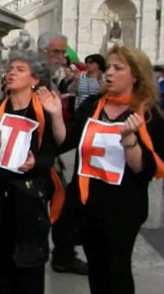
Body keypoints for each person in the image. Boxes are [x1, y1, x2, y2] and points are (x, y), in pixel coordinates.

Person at [45, 45, 164, 294]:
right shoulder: (92, 104)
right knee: (97, 271)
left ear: (135, 75)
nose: (108, 73)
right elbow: (65, 141)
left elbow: (144, 170)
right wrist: (56, 116)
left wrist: (130, 139)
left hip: (122, 209)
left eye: (117, 68)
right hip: (87, 204)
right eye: (108, 66)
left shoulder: (149, 114)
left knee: (117, 271)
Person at [0, 45, 63, 294]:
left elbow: (53, 152)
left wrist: (36, 163)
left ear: (35, 79)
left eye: (20, 69)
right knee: (0, 257)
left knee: (29, 261)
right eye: (10, 68)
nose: (11, 72)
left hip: (30, 195)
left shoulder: (44, 110)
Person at [37, 30, 88, 275]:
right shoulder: (36, 78)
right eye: (55, 51)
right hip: (35, 155)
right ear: (42, 51)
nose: (61, 57)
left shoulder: (50, 78)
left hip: (48, 153)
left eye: (62, 52)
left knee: (61, 205)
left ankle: (62, 255)